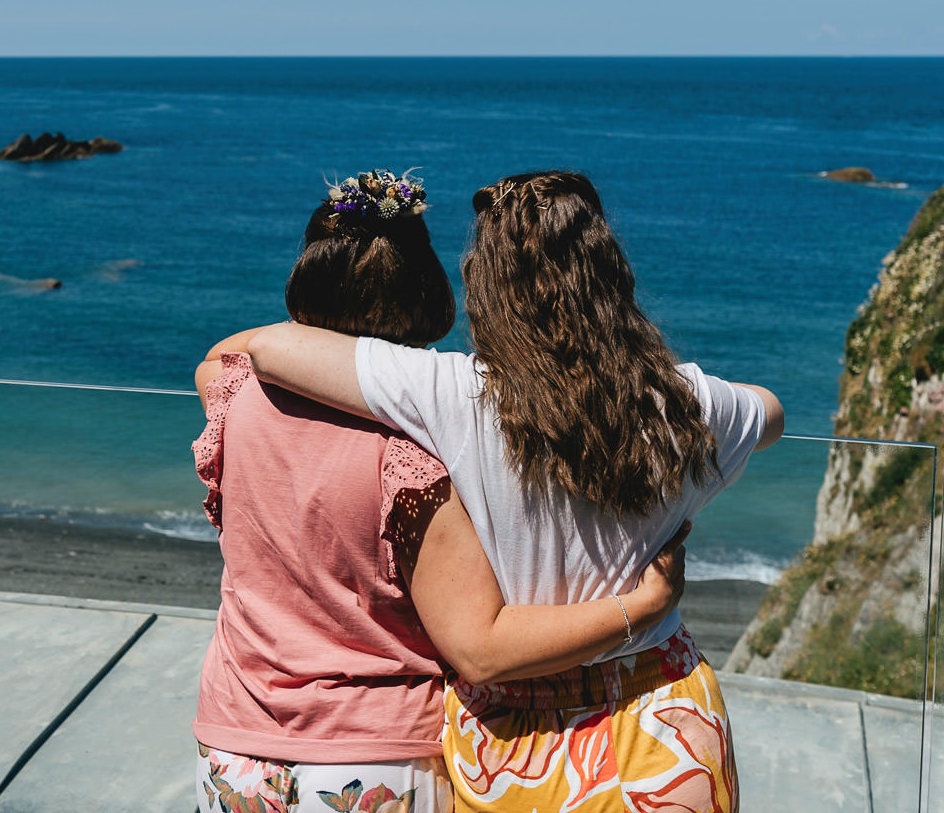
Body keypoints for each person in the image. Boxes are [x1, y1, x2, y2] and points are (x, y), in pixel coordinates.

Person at [245, 170, 785, 813]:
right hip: (666, 717)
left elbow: (271, 347)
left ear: (485, 287)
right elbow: (771, 413)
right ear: (613, 275)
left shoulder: (451, 393)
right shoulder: (691, 403)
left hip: (515, 740)